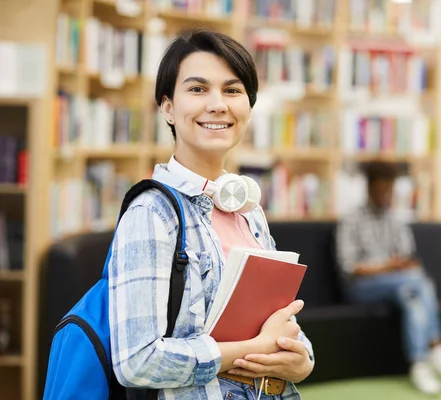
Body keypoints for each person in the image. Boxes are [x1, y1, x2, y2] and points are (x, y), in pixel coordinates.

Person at [107, 29, 314, 399]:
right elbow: (136, 361)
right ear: (168, 107)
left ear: (248, 106)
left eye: (232, 90)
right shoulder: (151, 213)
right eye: (198, 89)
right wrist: (242, 352)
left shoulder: (250, 213)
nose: (217, 104)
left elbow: (283, 328)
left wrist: (302, 361)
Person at [335, 161, 441, 395]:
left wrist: (401, 266)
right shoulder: (351, 220)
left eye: (389, 191)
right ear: (369, 188)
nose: (385, 196)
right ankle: (437, 346)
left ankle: (420, 364)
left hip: (399, 285)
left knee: (412, 296)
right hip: (361, 288)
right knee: (417, 282)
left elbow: (409, 259)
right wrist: (387, 267)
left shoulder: (396, 219)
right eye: (381, 190)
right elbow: (350, 268)